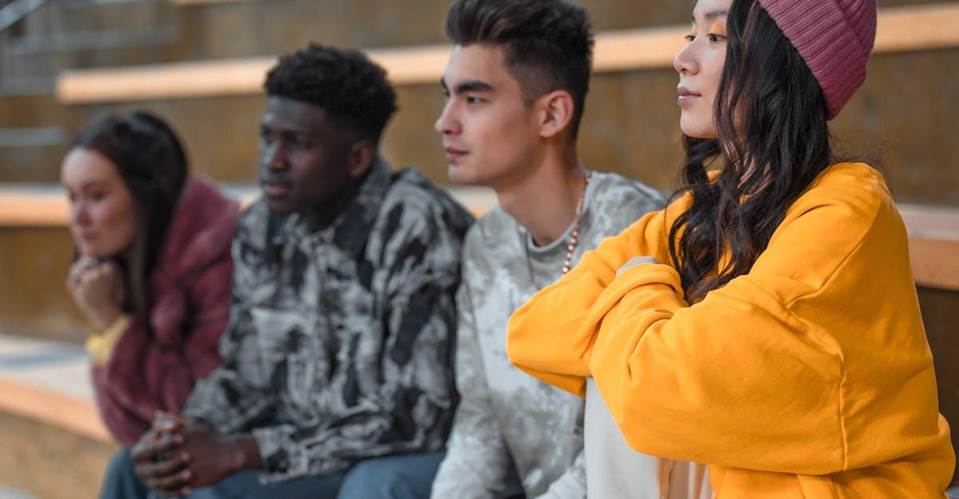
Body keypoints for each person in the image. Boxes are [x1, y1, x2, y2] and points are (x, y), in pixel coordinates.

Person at [507, 0, 957, 496]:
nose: (684, 58)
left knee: (628, 375)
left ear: (786, 60)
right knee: (623, 372)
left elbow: (654, 387)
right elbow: (533, 329)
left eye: (717, 37)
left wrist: (637, 282)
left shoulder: (846, 214)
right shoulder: (708, 206)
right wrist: (655, 319)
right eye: (690, 33)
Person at [125, 43, 473, 499]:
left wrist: (241, 451)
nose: (273, 160)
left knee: (215, 493)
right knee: (137, 471)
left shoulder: (414, 227)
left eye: (299, 144)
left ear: (357, 159)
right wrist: (189, 431)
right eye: (268, 137)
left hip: (396, 455)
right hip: (302, 447)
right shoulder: (262, 225)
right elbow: (248, 374)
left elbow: (414, 415)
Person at [430, 1, 708, 498]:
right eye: (447, 97)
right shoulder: (484, 243)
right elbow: (480, 423)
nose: (444, 123)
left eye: (473, 100)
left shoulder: (638, 232)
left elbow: (637, 443)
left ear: (552, 114)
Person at [61, 110, 238, 499]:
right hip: (202, 449)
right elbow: (129, 430)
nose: (78, 217)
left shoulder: (221, 261)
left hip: (269, 448)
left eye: (96, 196)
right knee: (129, 466)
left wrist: (114, 327)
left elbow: (201, 414)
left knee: (184, 479)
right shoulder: (125, 266)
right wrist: (112, 328)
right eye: (71, 196)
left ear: (145, 198)